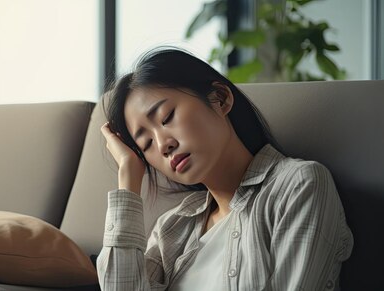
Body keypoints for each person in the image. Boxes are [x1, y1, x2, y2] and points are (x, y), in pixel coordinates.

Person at [97, 47, 353, 290]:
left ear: (220, 98)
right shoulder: (171, 228)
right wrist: (128, 177)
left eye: (167, 117)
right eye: (147, 143)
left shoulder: (298, 185)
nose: (163, 145)